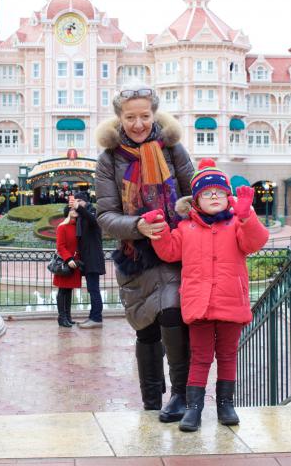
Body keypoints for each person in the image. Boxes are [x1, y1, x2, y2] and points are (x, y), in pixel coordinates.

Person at [144, 158, 269, 432]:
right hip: (199, 304)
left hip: (230, 302)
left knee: (227, 355)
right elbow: (169, 251)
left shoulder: (236, 224)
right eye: (207, 193)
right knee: (200, 357)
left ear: (228, 197)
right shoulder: (186, 228)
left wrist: (247, 217)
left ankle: (226, 404)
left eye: (220, 192)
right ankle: (194, 408)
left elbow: (256, 242)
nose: (214, 197)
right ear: (196, 200)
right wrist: (160, 229)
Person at [95, 82, 194, 423]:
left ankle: (181, 395)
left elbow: (195, 192)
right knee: (146, 328)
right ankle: (152, 401)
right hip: (135, 256)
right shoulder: (109, 159)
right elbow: (105, 216)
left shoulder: (173, 150)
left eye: (144, 116)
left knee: (172, 312)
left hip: (174, 248)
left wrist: (186, 210)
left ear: (154, 115)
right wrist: (138, 225)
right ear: (120, 119)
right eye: (130, 117)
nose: (138, 124)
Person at [69, 192, 105, 328]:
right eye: (75, 201)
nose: (76, 203)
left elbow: (92, 220)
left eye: (79, 200)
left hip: (93, 258)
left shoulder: (92, 213)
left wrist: (79, 208)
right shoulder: (81, 215)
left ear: (85, 201)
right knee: (92, 289)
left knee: (94, 289)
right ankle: (92, 316)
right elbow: (66, 213)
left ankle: (96, 318)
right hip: (87, 258)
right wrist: (72, 208)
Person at [54, 205, 82, 328]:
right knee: (62, 290)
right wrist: (68, 258)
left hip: (74, 263)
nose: (75, 211)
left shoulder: (78, 226)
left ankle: (68, 316)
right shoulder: (62, 227)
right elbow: (60, 246)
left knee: (69, 289)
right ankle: (62, 317)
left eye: (76, 209)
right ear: (68, 212)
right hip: (66, 263)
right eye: (72, 209)